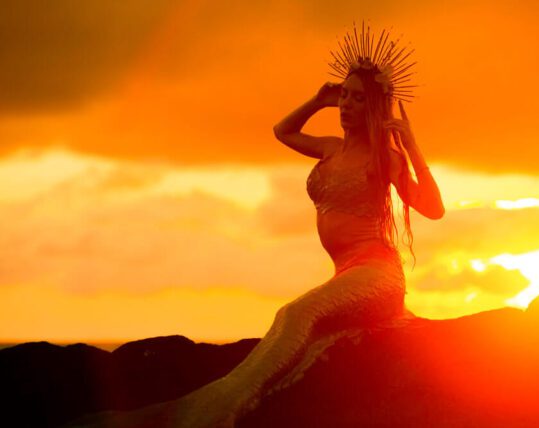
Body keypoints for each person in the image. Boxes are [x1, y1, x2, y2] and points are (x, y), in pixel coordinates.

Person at [67, 23, 444, 428]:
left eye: (357, 99)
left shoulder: (385, 157)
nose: (346, 105)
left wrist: (412, 146)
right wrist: (317, 100)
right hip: (346, 273)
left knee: (296, 315)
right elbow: (283, 131)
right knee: (293, 320)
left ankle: (226, 410)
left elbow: (433, 209)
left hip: (378, 274)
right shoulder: (329, 149)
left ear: (373, 106)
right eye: (345, 96)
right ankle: (223, 400)